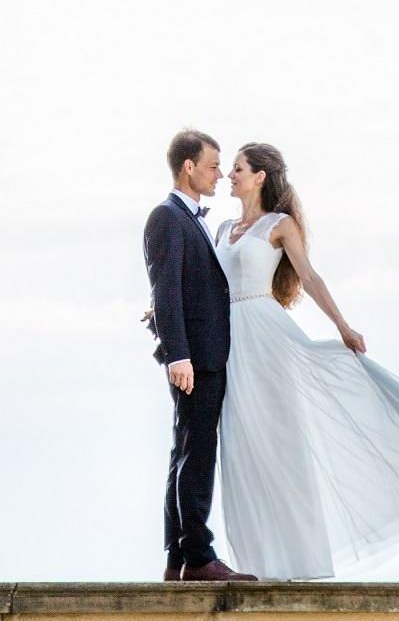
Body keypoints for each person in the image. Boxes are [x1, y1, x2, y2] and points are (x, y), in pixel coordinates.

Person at [214, 142, 399, 580]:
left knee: (280, 442)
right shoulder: (223, 228)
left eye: (238, 168)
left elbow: (310, 276)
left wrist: (342, 325)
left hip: (265, 334)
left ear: (260, 176)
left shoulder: (280, 226)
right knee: (242, 446)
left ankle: (298, 560)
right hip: (228, 339)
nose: (230, 175)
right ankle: (256, 565)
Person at [142, 130, 257, 582]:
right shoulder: (167, 217)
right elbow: (165, 289)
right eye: (213, 165)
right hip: (195, 359)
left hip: (202, 354)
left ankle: (178, 559)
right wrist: (179, 356)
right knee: (197, 453)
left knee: (185, 451)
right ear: (188, 167)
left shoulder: (191, 219)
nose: (219, 173)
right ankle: (199, 556)